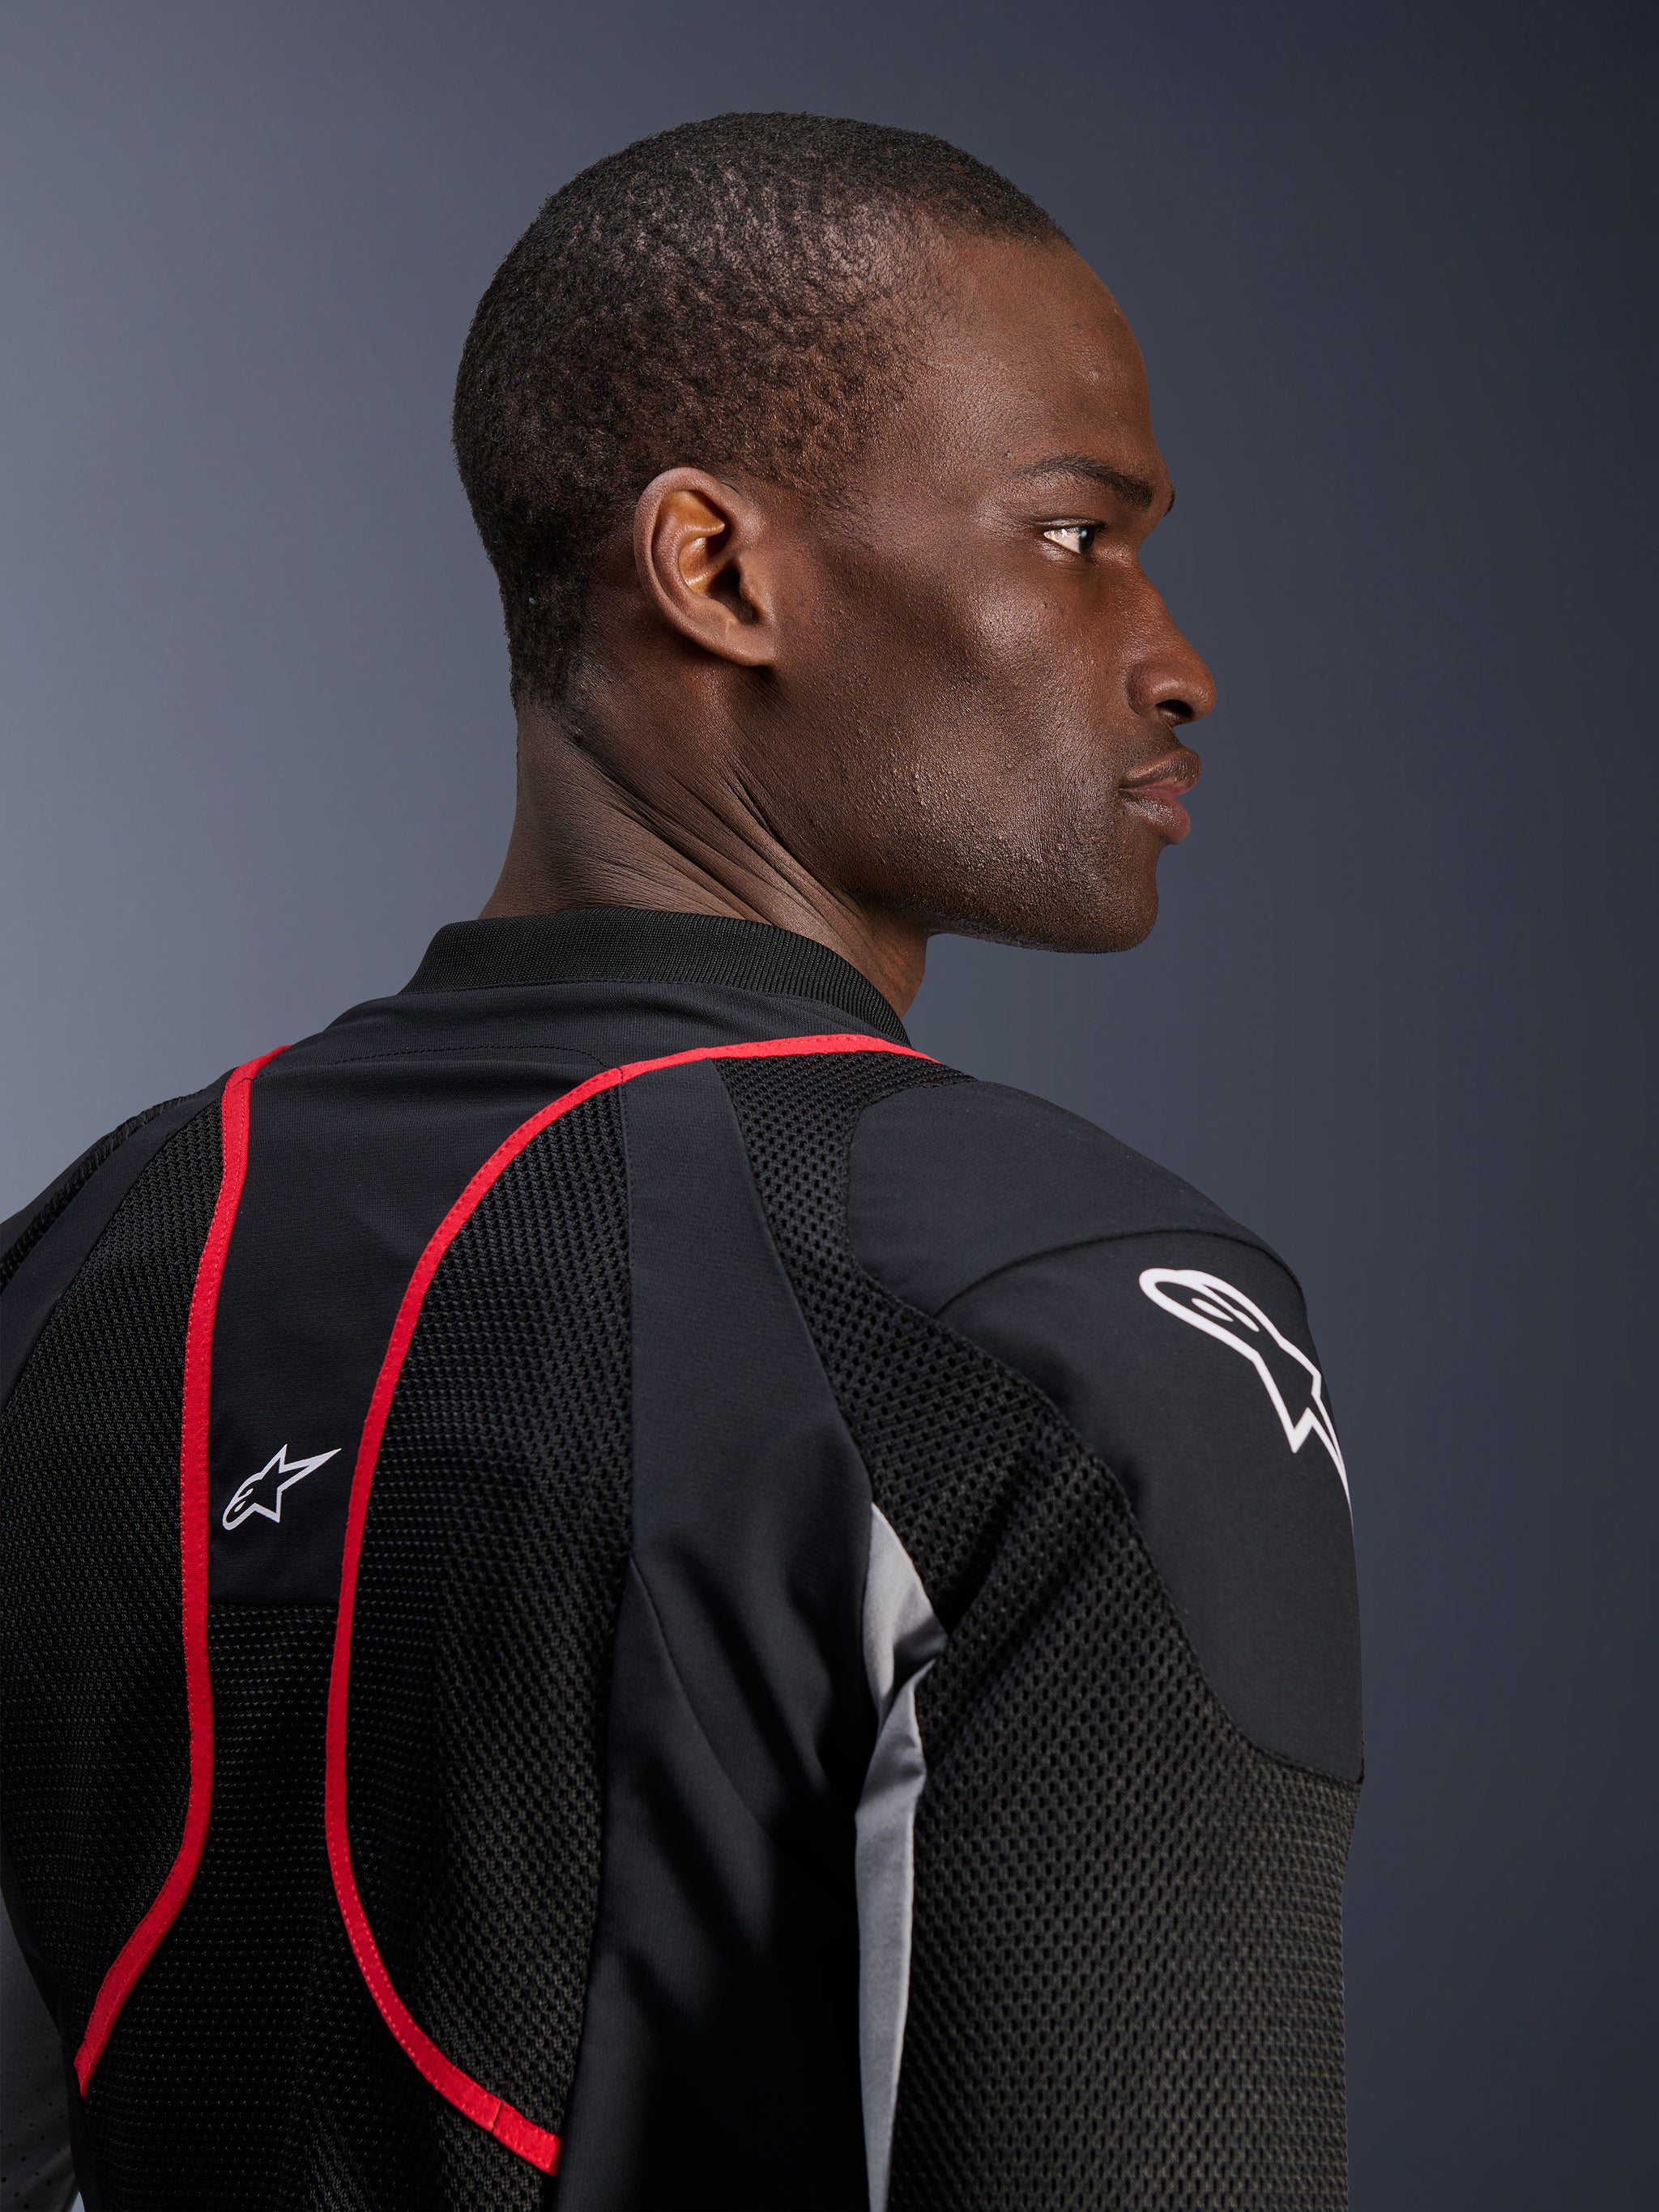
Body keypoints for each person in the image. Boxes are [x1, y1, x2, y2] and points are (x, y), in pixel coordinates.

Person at [0, 113, 1361, 2212]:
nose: (1174, 662)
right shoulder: (1068, 1307)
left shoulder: (76, 1253)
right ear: (717, 571)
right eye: (1076, 534)